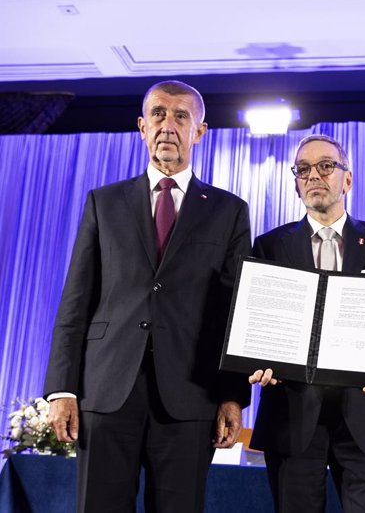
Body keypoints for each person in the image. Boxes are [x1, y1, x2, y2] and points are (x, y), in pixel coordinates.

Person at [43, 80, 252, 513]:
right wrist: (62, 388)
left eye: (181, 116)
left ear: (200, 131)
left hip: (191, 396)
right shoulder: (104, 201)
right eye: (158, 114)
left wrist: (232, 395)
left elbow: (237, 311)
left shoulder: (228, 211)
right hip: (106, 389)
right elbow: (76, 300)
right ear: (142, 126)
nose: (168, 125)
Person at [248, 134, 365, 513]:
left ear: (347, 179)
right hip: (292, 415)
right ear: (296, 182)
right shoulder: (268, 246)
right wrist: (257, 357)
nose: (313, 175)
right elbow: (259, 321)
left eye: (325, 166)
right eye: (303, 169)